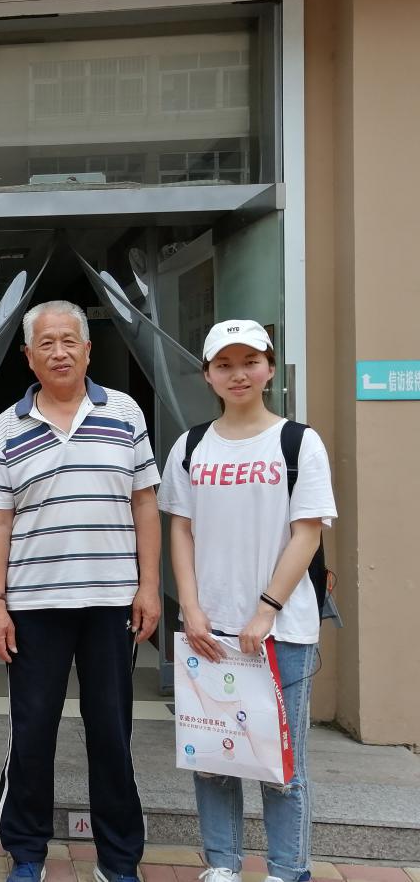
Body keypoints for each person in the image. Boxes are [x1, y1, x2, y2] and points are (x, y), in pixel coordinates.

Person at [0, 300, 160, 882]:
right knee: (32, 732)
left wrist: (150, 587)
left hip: (111, 603)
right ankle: (27, 853)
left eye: (68, 341)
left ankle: (119, 860)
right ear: (28, 357)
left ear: (87, 349)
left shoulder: (125, 412)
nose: (59, 352)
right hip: (34, 606)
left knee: (112, 732)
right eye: (46, 343)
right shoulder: (7, 426)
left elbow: (145, 504)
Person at [157, 320, 336, 882]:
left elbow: (307, 532)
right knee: (213, 757)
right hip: (209, 628)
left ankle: (287, 869)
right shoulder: (191, 446)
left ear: (269, 368)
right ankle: (222, 866)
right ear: (208, 375)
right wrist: (191, 607)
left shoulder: (298, 442)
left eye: (250, 362)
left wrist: (265, 611)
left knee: (283, 764)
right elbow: (180, 529)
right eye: (225, 365)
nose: (238, 374)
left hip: (282, 629)